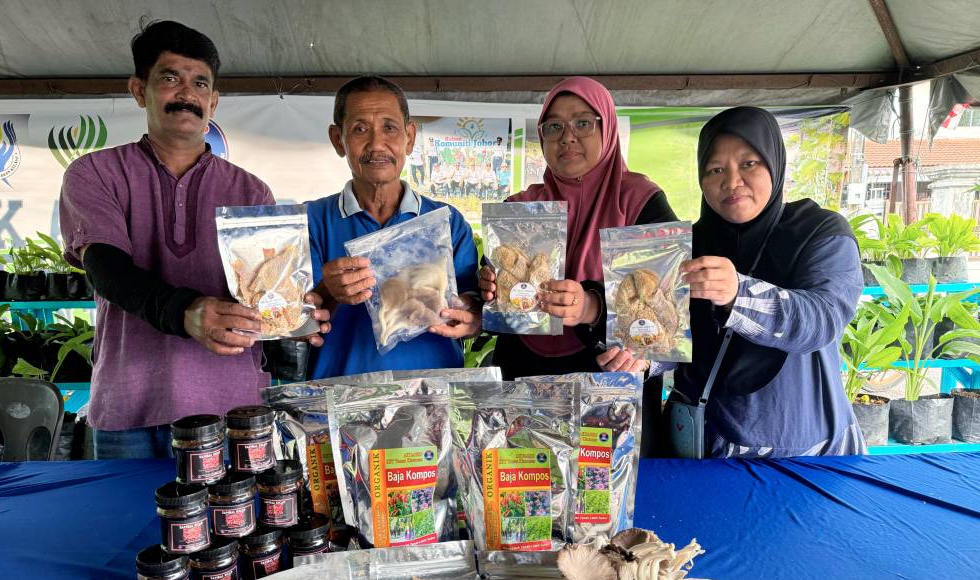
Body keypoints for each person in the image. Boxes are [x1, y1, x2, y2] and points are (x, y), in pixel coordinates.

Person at [58, 20, 328, 459]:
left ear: (213, 101)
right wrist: (185, 311)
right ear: (138, 89)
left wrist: (296, 319)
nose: (186, 94)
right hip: (129, 407)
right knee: (134, 528)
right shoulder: (94, 174)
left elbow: (267, 296)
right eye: (169, 78)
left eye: (199, 83)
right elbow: (107, 270)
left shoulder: (250, 191)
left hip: (231, 412)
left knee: (232, 526)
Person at [605, 106, 865, 458]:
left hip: (802, 453)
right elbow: (675, 333)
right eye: (715, 169)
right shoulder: (688, 245)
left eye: (748, 164)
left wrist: (738, 293)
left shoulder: (819, 232)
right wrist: (646, 359)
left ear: (774, 162)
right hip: (705, 445)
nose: (731, 181)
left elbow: (823, 319)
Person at [480, 76, 677, 378]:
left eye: (583, 123)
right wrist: (489, 284)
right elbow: (496, 283)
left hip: (605, 384)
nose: (567, 137)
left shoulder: (640, 201)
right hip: (524, 377)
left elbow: (671, 306)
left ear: (607, 127)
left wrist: (591, 306)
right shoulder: (520, 206)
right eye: (554, 126)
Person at [306, 75, 480, 378]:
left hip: (432, 399)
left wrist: (469, 316)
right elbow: (288, 324)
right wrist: (327, 291)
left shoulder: (447, 221)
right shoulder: (311, 221)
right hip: (336, 402)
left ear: (409, 138)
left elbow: (474, 307)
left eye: (390, 128)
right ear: (338, 140)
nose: (377, 144)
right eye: (360, 129)